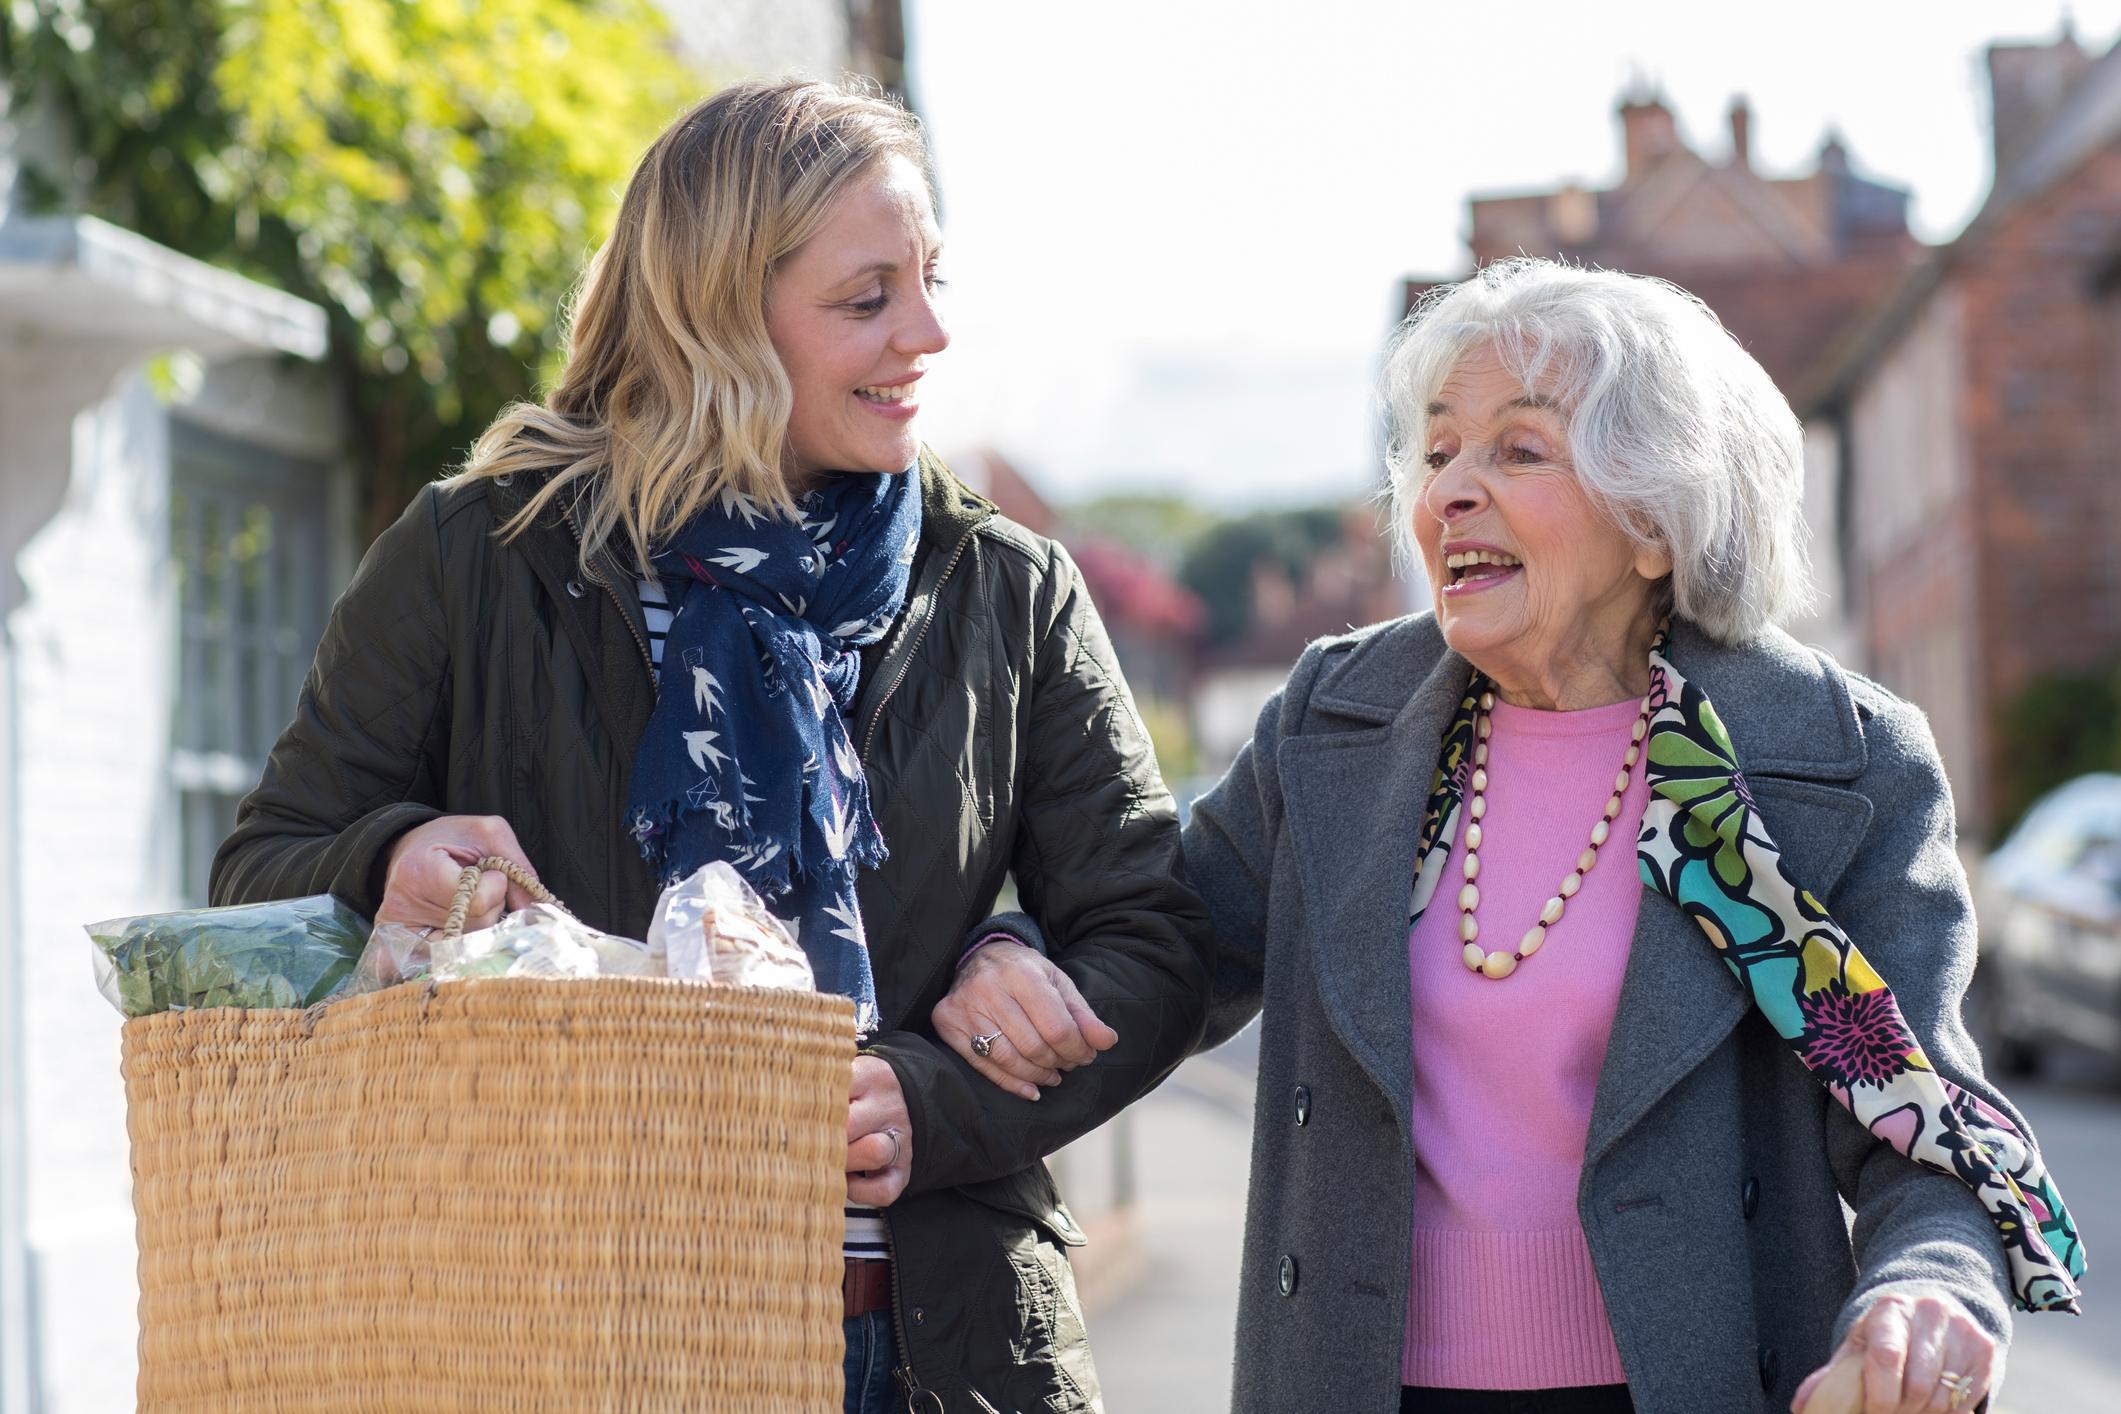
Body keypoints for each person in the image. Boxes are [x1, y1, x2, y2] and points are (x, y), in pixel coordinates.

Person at [211, 78, 1210, 1413]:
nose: (929, 332)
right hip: (561, 1342)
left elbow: (1153, 939)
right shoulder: (478, 559)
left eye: (930, 280)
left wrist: (936, 1087)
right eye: (868, 299)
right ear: (718, 317)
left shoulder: (1003, 586)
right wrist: (390, 854)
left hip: (937, 1354)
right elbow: (255, 875)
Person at [939, 258, 2084, 1414]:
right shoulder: (1339, 723)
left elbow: (1917, 1119)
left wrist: (1927, 1291)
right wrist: (1010, 964)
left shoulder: (1832, 756)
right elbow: (1159, 954)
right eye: (1438, 454)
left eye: (1520, 450)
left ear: (1654, 520)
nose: (1449, 495)